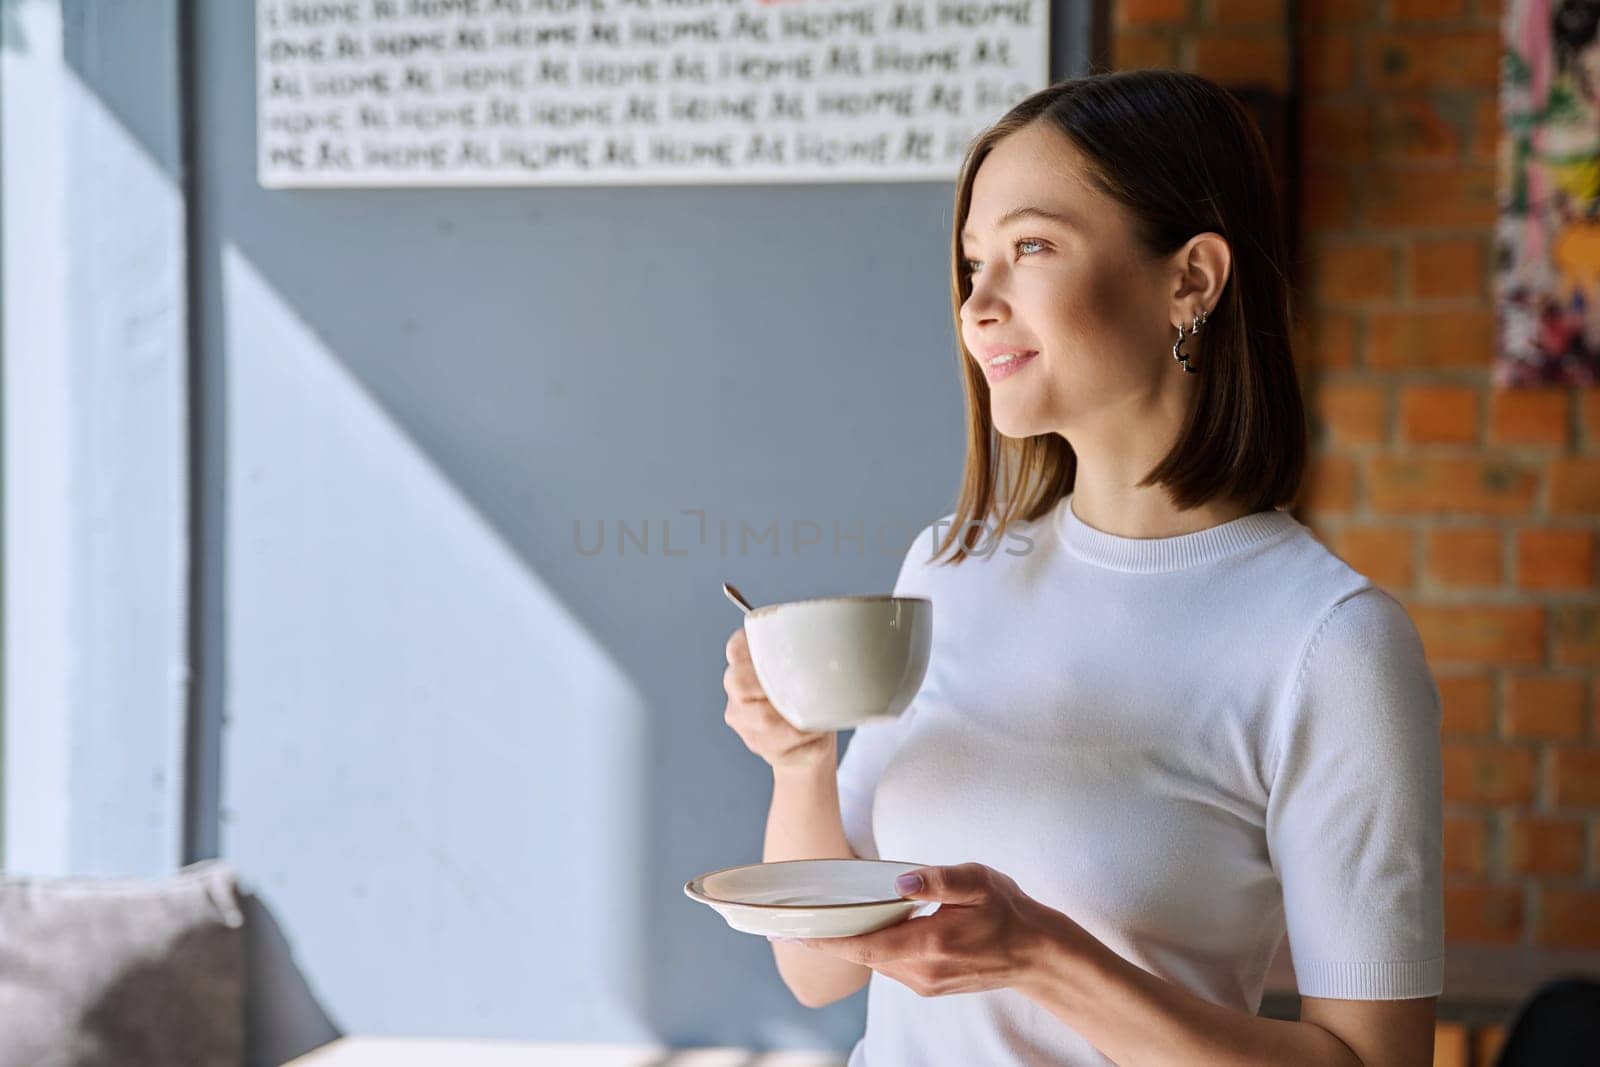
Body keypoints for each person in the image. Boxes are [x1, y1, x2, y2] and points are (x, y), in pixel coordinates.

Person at [722, 69, 1442, 1066]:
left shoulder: (1331, 639)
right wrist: (799, 760)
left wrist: (1042, 957)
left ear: (1190, 278)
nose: (977, 305)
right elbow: (822, 970)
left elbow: (1373, 1061)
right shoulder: (948, 566)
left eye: (1030, 247)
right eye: (972, 263)